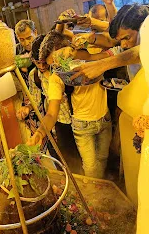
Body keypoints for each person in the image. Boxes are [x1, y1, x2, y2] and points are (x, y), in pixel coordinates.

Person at [27, 31, 112, 178]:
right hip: (82, 126)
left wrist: (77, 50)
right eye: (53, 64)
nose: (58, 66)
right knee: (91, 168)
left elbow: (113, 47)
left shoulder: (91, 54)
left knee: (103, 158)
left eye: (58, 60)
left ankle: (101, 184)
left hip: (105, 118)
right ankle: (94, 194)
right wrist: (40, 133)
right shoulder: (57, 77)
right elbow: (52, 113)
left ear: (66, 49)